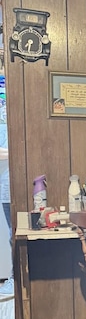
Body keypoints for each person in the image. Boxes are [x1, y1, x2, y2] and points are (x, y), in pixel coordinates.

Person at [0, 104, 12, 300]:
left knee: (13, 234)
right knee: (11, 234)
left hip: (14, 185)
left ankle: (13, 279)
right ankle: (12, 278)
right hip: (7, 185)